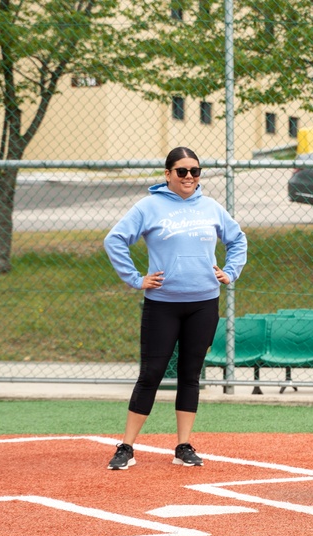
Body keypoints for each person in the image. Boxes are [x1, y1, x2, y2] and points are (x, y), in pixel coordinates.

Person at [103, 147, 247, 470]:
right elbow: (114, 240)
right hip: (163, 306)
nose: (189, 177)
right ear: (167, 174)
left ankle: (183, 446)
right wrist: (136, 279)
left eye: (195, 171)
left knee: (190, 375)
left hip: (204, 304)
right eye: (181, 171)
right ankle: (126, 447)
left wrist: (230, 271)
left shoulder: (210, 208)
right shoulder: (149, 206)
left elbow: (238, 240)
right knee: (151, 374)